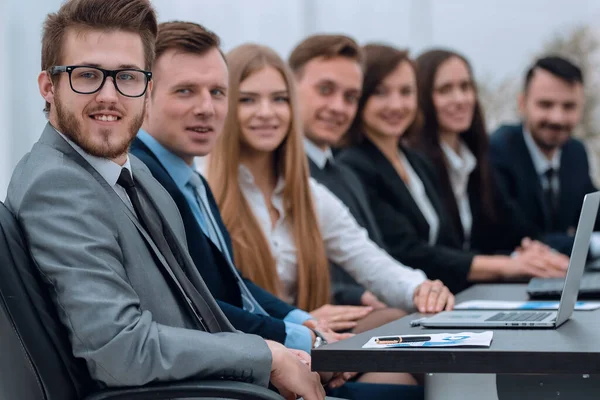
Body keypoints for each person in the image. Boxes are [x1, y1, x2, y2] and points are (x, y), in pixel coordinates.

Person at [5, 1, 327, 398]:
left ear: (147, 89)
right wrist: (266, 356)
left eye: (127, 77)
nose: (109, 96)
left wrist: (286, 358)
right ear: (48, 87)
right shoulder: (56, 184)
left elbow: (198, 314)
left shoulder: (135, 174)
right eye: (87, 75)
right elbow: (120, 350)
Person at [131, 20, 348, 362]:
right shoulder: (139, 180)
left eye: (217, 92)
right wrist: (302, 341)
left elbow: (233, 283)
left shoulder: (189, 178)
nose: (207, 107)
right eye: (185, 91)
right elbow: (187, 305)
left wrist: (300, 320)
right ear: (144, 94)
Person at [338, 44, 567, 294]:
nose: (396, 104)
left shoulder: (415, 162)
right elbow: (404, 251)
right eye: (380, 93)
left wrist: (524, 254)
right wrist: (507, 264)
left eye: (406, 92)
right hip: (409, 301)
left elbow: (455, 245)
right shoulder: (354, 165)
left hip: (449, 298)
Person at [411, 48, 569, 273]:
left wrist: (528, 251)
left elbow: (509, 231)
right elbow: (430, 252)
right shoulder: (415, 163)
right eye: (445, 90)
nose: (460, 99)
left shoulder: (475, 159)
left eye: (465, 87)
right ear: (422, 96)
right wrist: (506, 264)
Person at [289, 34, 388, 311]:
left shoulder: (347, 175)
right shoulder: (272, 176)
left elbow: (375, 259)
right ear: (290, 86)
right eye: (325, 89)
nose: (338, 107)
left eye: (350, 97)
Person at [489, 56, 599, 256]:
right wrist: (591, 245)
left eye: (569, 106)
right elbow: (517, 238)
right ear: (522, 103)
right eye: (546, 105)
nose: (557, 118)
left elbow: (592, 215)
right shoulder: (498, 151)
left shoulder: (575, 153)